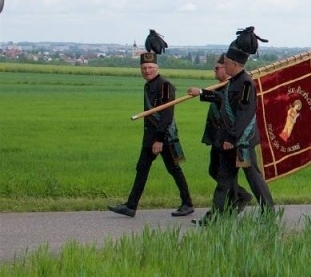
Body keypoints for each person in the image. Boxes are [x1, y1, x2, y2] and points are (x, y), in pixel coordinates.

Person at [109, 35, 196, 219]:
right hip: (150, 137)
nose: (147, 71)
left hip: (164, 137)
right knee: (142, 168)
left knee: (174, 169)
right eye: (144, 68)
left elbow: (167, 115)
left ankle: (187, 203)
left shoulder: (165, 86)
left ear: (157, 68)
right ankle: (131, 206)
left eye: (150, 68)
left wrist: (159, 140)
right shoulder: (148, 86)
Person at [193, 27, 273, 221]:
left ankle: (269, 213)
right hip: (229, 140)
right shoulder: (235, 81)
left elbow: (244, 114)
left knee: (254, 179)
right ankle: (215, 218)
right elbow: (224, 99)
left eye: (226, 63)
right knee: (224, 180)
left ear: (235, 64)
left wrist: (231, 138)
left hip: (240, 142)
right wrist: (203, 94)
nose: (224, 65)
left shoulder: (245, 84)